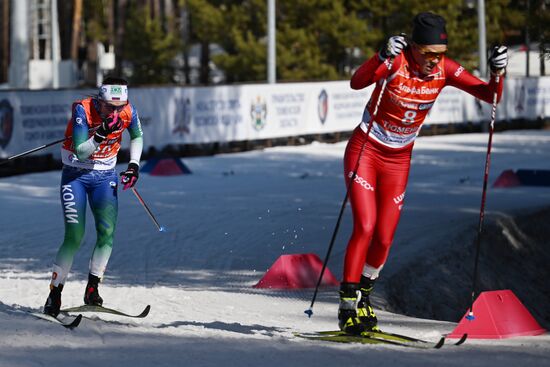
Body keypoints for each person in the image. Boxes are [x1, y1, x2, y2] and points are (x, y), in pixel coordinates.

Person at [338, 12, 508, 335]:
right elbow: (357, 82)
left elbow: (491, 95)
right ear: (414, 47)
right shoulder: (396, 61)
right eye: (428, 54)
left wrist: (498, 71)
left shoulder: (444, 69)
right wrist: (381, 55)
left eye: (440, 55)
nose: (434, 61)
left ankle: (364, 297)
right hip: (366, 150)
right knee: (366, 224)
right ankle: (347, 303)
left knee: (385, 237)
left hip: (399, 160)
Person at [43, 77, 144, 317]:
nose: (117, 112)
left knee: (107, 233)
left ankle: (92, 288)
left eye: (121, 107)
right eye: (111, 107)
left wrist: (133, 166)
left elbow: (137, 136)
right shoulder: (83, 109)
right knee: (74, 236)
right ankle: (54, 293)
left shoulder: (128, 110)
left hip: (105, 175)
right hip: (75, 176)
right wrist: (100, 134)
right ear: (100, 102)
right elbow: (80, 150)